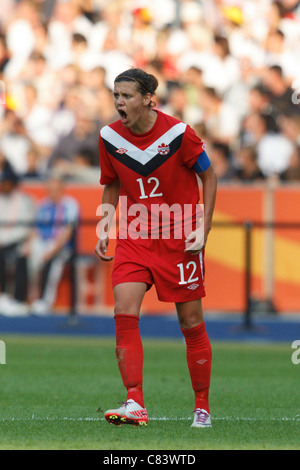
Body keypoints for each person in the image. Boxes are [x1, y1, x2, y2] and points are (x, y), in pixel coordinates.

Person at [95, 68, 217, 428]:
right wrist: (106, 227)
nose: (119, 102)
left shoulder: (180, 134)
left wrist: (202, 227)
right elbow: (112, 183)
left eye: (127, 96)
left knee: (190, 322)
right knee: (123, 310)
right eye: (116, 95)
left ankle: (202, 407)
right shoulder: (108, 137)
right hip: (134, 238)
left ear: (148, 99)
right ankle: (135, 402)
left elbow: (208, 175)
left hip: (179, 238)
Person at [29, 173, 80, 315]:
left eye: (55, 188)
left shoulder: (70, 205)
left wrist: (52, 251)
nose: (52, 192)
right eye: (49, 188)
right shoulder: (43, 204)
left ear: (62, 189)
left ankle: (45, 301)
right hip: (42, 244)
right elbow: (35, 229)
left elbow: (67, 233)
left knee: (52, 261)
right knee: (25, 257)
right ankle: (25, 300)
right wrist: (30, 246)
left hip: (63, 247)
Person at [0, 161, 36, 316]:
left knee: (22, 257)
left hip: (18, 241)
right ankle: (3, 297)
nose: (3, 186)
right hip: (2, 243)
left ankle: (19, 299)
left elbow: (26, 228)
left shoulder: (25, 200)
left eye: (6, 183)